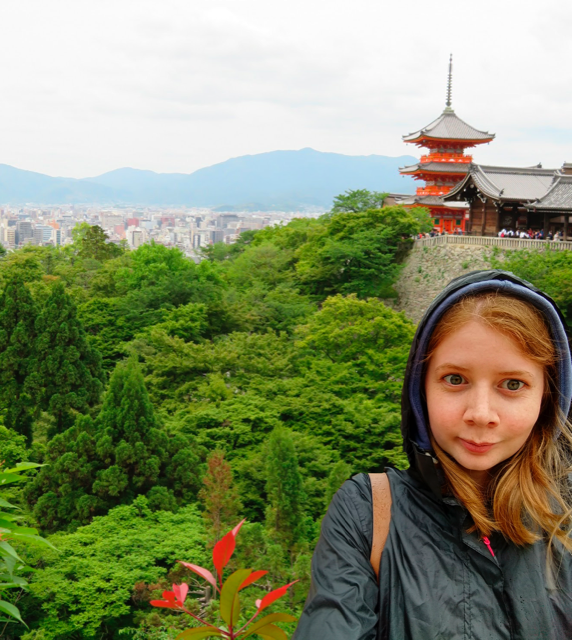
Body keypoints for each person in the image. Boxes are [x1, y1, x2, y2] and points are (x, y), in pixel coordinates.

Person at [293, 270, 572, 640]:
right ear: (419, 388)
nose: (481, 414)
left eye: (513, 384)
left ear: (546, 397)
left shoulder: (565, 512)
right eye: (455, 380)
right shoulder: (367, 512)